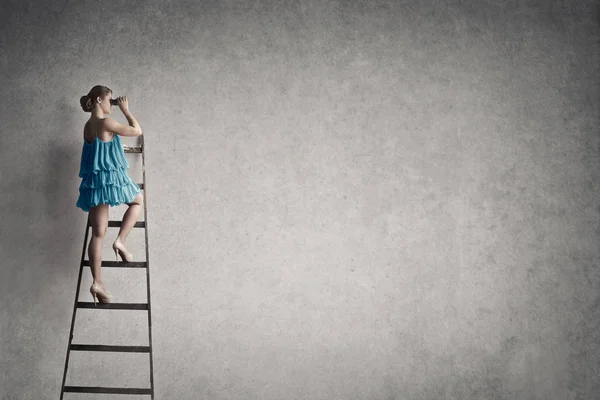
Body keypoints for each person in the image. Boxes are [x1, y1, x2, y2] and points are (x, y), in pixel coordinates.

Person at [77, 85, 144, 305]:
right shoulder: (107, 123)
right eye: (109, 100)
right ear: (98, 100)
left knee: (97, 233)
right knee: (138, 201)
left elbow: (100, 149)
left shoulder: (88, 126)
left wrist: (116, 144)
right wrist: (125, 110)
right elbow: (137, 130)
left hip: (96, 184)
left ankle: (97, 282)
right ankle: (121, 242)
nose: (110, 105)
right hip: (111, 180)